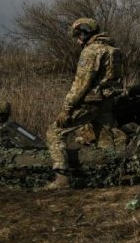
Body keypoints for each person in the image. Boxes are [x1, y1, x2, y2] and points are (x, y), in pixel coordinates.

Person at [45, 18, 123, 189]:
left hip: (91, 101)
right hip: (107, 102)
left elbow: (81, 84)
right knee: (105, 137)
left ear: (86, 33)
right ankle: (111, 176)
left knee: (55, 132)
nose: (77, 40)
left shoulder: (91, 51)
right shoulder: (113, 50)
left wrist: (67, 108)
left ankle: (62, 179)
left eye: (78, 35)